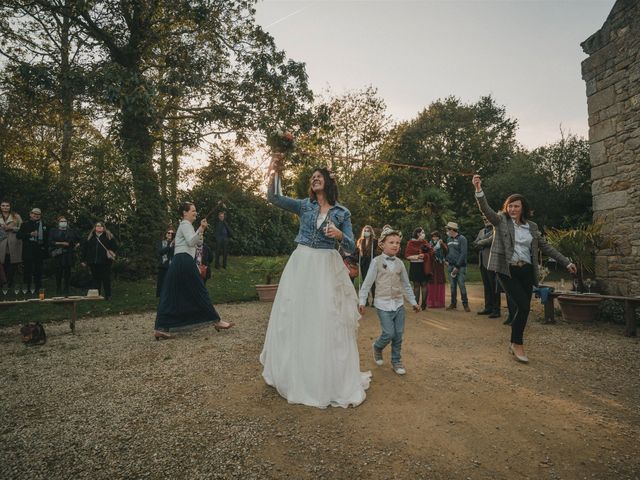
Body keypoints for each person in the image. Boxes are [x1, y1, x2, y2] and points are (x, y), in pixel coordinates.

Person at [260, 152, 370, 408]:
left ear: (329, 183)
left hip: (326, 265)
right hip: (302, 263)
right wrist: (274, 170)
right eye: (312, 177)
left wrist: (340, 234)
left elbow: (353, 244)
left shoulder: (343, 212)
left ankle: (325, 377)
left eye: (319, 176)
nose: (314, 179)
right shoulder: (304, 206)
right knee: (296, 314)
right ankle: (295, 373)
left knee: (325, 317)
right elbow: (273, 197)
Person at [472, 174, 577, 363]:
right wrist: (478, 189)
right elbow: (486, 210)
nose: (512, 209)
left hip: (526, 271)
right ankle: (518, 344)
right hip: (507, 270)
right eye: (510, 205)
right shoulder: (500, 221)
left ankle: (514, 342)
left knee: (525, 308)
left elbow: (546, 247)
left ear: (523, 208)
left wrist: (566, 263)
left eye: (516, 206)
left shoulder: (532, 227)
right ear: (506, 208)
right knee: (522, 305)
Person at [154, 202, 234, 340]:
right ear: (185, 213)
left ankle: (161, 327)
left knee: (172, 293)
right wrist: (201, 229)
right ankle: (216, 321)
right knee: (199, 290)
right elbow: (191, 242)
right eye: (193, 210)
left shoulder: (188, 226)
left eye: (195, 210)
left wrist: (200, 230)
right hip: (184, 261)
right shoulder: (185, 224)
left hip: (181, 262)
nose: (195, 213)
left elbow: (198, 243)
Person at [359, 227, 420, 375]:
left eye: (398, 243)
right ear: (382, 244)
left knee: (398, 335)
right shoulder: (376, 261)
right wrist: (362, 300)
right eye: (391, 242)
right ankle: (378, 347)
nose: (395, 245)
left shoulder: (400, 263)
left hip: (398, 304)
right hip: (382, 303)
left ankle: (396, 361)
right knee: (388, 333)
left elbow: (406, 284)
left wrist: (413, 302)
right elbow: (367, 282)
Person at [81, 222, 118, 300]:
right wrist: (83, 260)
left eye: (101, 226)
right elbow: (85, 249)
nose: (99, 227)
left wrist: (110, 253)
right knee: (96, 279)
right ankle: (97, 296)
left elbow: (115, 247)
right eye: (97, 226)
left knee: (106, 279)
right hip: (93, 262)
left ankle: (108, 296)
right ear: (95, 227)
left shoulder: (109, 237)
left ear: (104, 228)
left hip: (105, 262)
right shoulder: (90, 237)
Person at [473, 218, 501, 318]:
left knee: (494, 287)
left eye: (487, 218)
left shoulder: (497, 230)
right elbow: (475, 244)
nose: (485, 220)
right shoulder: (481, 231)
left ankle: (496, 310)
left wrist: (481, 242)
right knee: (486, 286)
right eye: (484, 219)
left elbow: (491, 241)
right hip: (482, 263)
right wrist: (483, 243)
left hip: (492, 262)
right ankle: (488, 307)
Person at [17, 207, 48, 295]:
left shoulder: (44, 225)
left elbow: (47, 238)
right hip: (28, 250)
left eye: (38, 214)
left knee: (38, 270)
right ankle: (27, 288)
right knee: (28, 270)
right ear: (30, 214)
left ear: (40, 216)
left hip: (39, 250)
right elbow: (18, 236)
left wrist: (45, 248)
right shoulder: (25, 224)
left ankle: (38, 287)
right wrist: (29, 234)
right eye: (34, 213)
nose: (36, 215)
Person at [48, 216, 80, 296]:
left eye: (65, 221)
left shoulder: (71, 231)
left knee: (67, 272)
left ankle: (66, 289)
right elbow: (50, 241)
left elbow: (79, 239)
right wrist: (61, 243)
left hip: (68, 254)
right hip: (58, 253)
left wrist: (77, 244)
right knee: (58, 272)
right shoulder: (53, 231)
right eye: (61, 221)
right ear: (58, 222)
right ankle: (58, 289)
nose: (63, 222)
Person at [404, 227, 432, 310]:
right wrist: (417, 256)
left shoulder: (425, 242)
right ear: (417, 233)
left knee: (424, 284)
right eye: (422, 232)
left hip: (424, 265)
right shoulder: (410, 243)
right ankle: (415, 304)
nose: (423, 234)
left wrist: (425, 255)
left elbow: (431, 252)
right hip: (415, 266)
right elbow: (407, 255)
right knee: (416, 285)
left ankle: (424, 304)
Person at [444, 221, 470, 312]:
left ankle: (465, 304)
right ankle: (453, 303)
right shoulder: (448, 239)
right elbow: (449, 252)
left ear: (452, 229)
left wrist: (457, 266)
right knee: (452, 286)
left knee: (462, 285)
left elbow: (463, 254)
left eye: (448, 229)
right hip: (450, 266)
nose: (446, 231)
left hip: (460, 267)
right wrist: (446, 260)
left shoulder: (462, 239)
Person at [0, 200, 23, 291]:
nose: (5, 207)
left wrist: (11, 228)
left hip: (13, 242)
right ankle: (3, 283)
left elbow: (22, 229)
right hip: (1, 242)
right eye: (3, 205)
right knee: (2, 262)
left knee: (12, 263)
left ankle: (9, 283)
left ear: (10, 207)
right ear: (0, 207)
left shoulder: (16, 216)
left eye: (7, 206)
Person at [356, 225, 378, 304]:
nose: (366, 232)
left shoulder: (374, 241)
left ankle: (374, 300)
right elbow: (358, 252)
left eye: (368, 231)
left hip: (371, 262)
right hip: (363, 264)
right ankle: (365, 300)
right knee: (365, 281)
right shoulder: (360, 241)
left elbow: (377, 252)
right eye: (365, 231)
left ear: (371, 232)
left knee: (372, 281)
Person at [427, 231, 447, 308]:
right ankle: (431, 302)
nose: (435, 238)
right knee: (431, 281)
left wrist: (442, 245)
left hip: (439, 265)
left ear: (439, 237)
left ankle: (439, 302)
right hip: (432, 265)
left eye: (436, 236)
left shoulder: (441, 243)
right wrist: (433, 249)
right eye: (433, 236)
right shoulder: (429, 244)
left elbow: (446, 251)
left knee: (440, 281)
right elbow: (428, 253)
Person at [156, 228, 175, 297]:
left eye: (172, 233)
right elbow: (160, 252)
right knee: (161, 284)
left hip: (171, 267)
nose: (170, 234)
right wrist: (169, 246)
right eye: (168, 233)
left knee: (170, 284)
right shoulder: (161, 242)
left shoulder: (175, 244)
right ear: (166, 234)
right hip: (163, 266)